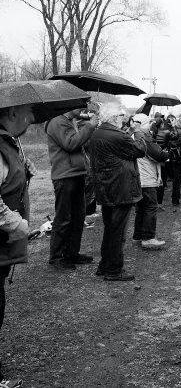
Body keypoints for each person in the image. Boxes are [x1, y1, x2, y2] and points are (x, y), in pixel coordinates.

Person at [88, 104, 146, 281]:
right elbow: (140, 150)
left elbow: (119, 147)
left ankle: (105, 265)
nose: (124, 118)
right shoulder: (117, 135)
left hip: (106, 187)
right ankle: (114, 270)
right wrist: (138, 132)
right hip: (121, 189)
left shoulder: (98, 133)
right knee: (117, 232)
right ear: (114, 118)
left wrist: (127, 133)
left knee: (110, 228)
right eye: (121, 116)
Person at [0, 103, 33, 387]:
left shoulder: (8, 145)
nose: (32, 117)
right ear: (12, 114)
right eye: (28, 111)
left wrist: (25, 172)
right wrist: (15, 223)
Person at [45, 106, 99, 270]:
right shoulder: (57, 122)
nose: (84, 109)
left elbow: (82, 143)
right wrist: (89, 126)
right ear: (70, 105)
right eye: (80, 106)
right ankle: (56, 258)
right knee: (63, 217)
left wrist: (87, 127)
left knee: (78, 216)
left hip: (76, 173)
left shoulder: (71, 122)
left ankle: (71, 254)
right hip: (64, 176)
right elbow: (70, 143)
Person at [131, 114, 169, 249]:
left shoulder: (133, 136)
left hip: (138, 178)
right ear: (143, 124)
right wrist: (166, 153)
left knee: (140, 209)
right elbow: (158, 155)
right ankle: (148, 238)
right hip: (146, 178)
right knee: (150, 207)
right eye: (149, 123)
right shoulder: (143, 137)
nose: (151, 126)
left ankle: (138, 236)